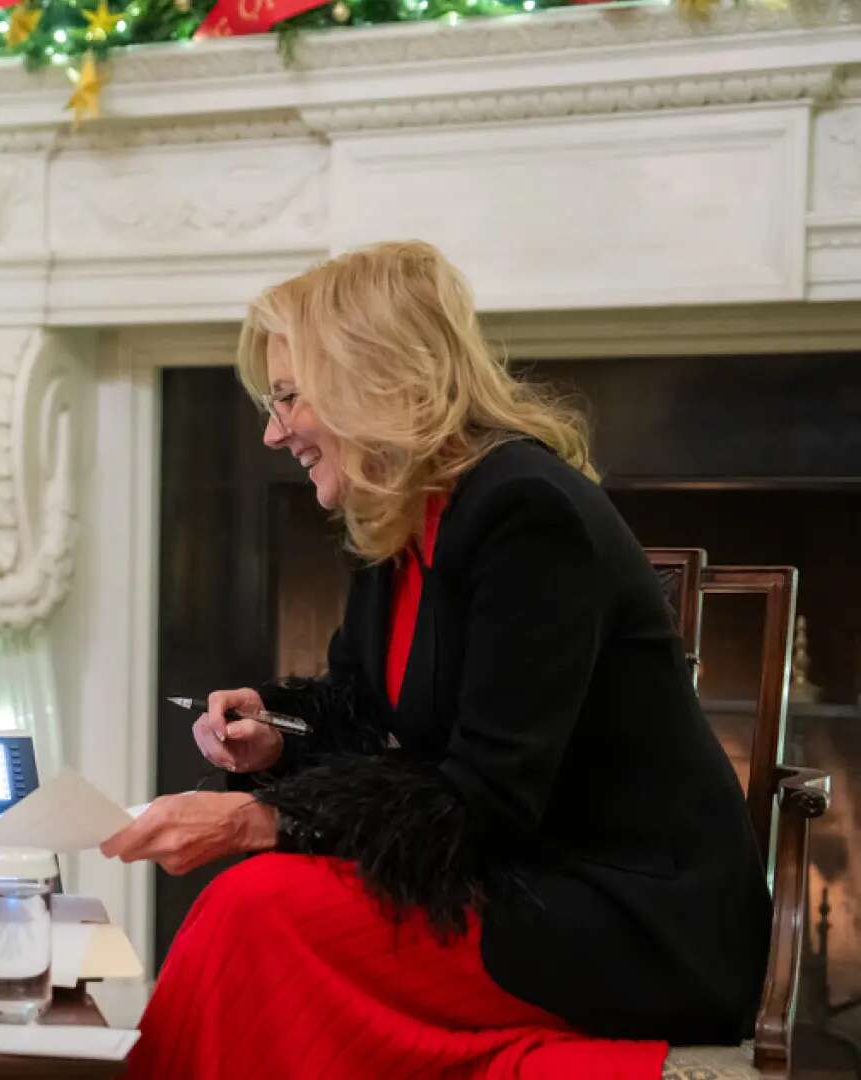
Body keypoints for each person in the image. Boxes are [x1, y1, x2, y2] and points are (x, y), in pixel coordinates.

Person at [101, 241, 769, 1078]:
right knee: (252, 909)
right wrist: (274, 733)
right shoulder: (403, 517)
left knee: (256, 905)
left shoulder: (527, 512)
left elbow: (487, 798)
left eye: (287, 399)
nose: (273, 433)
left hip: (628, 921)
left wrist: (259, 820)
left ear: (369, 375)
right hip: (510, 885)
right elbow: (359, 705)